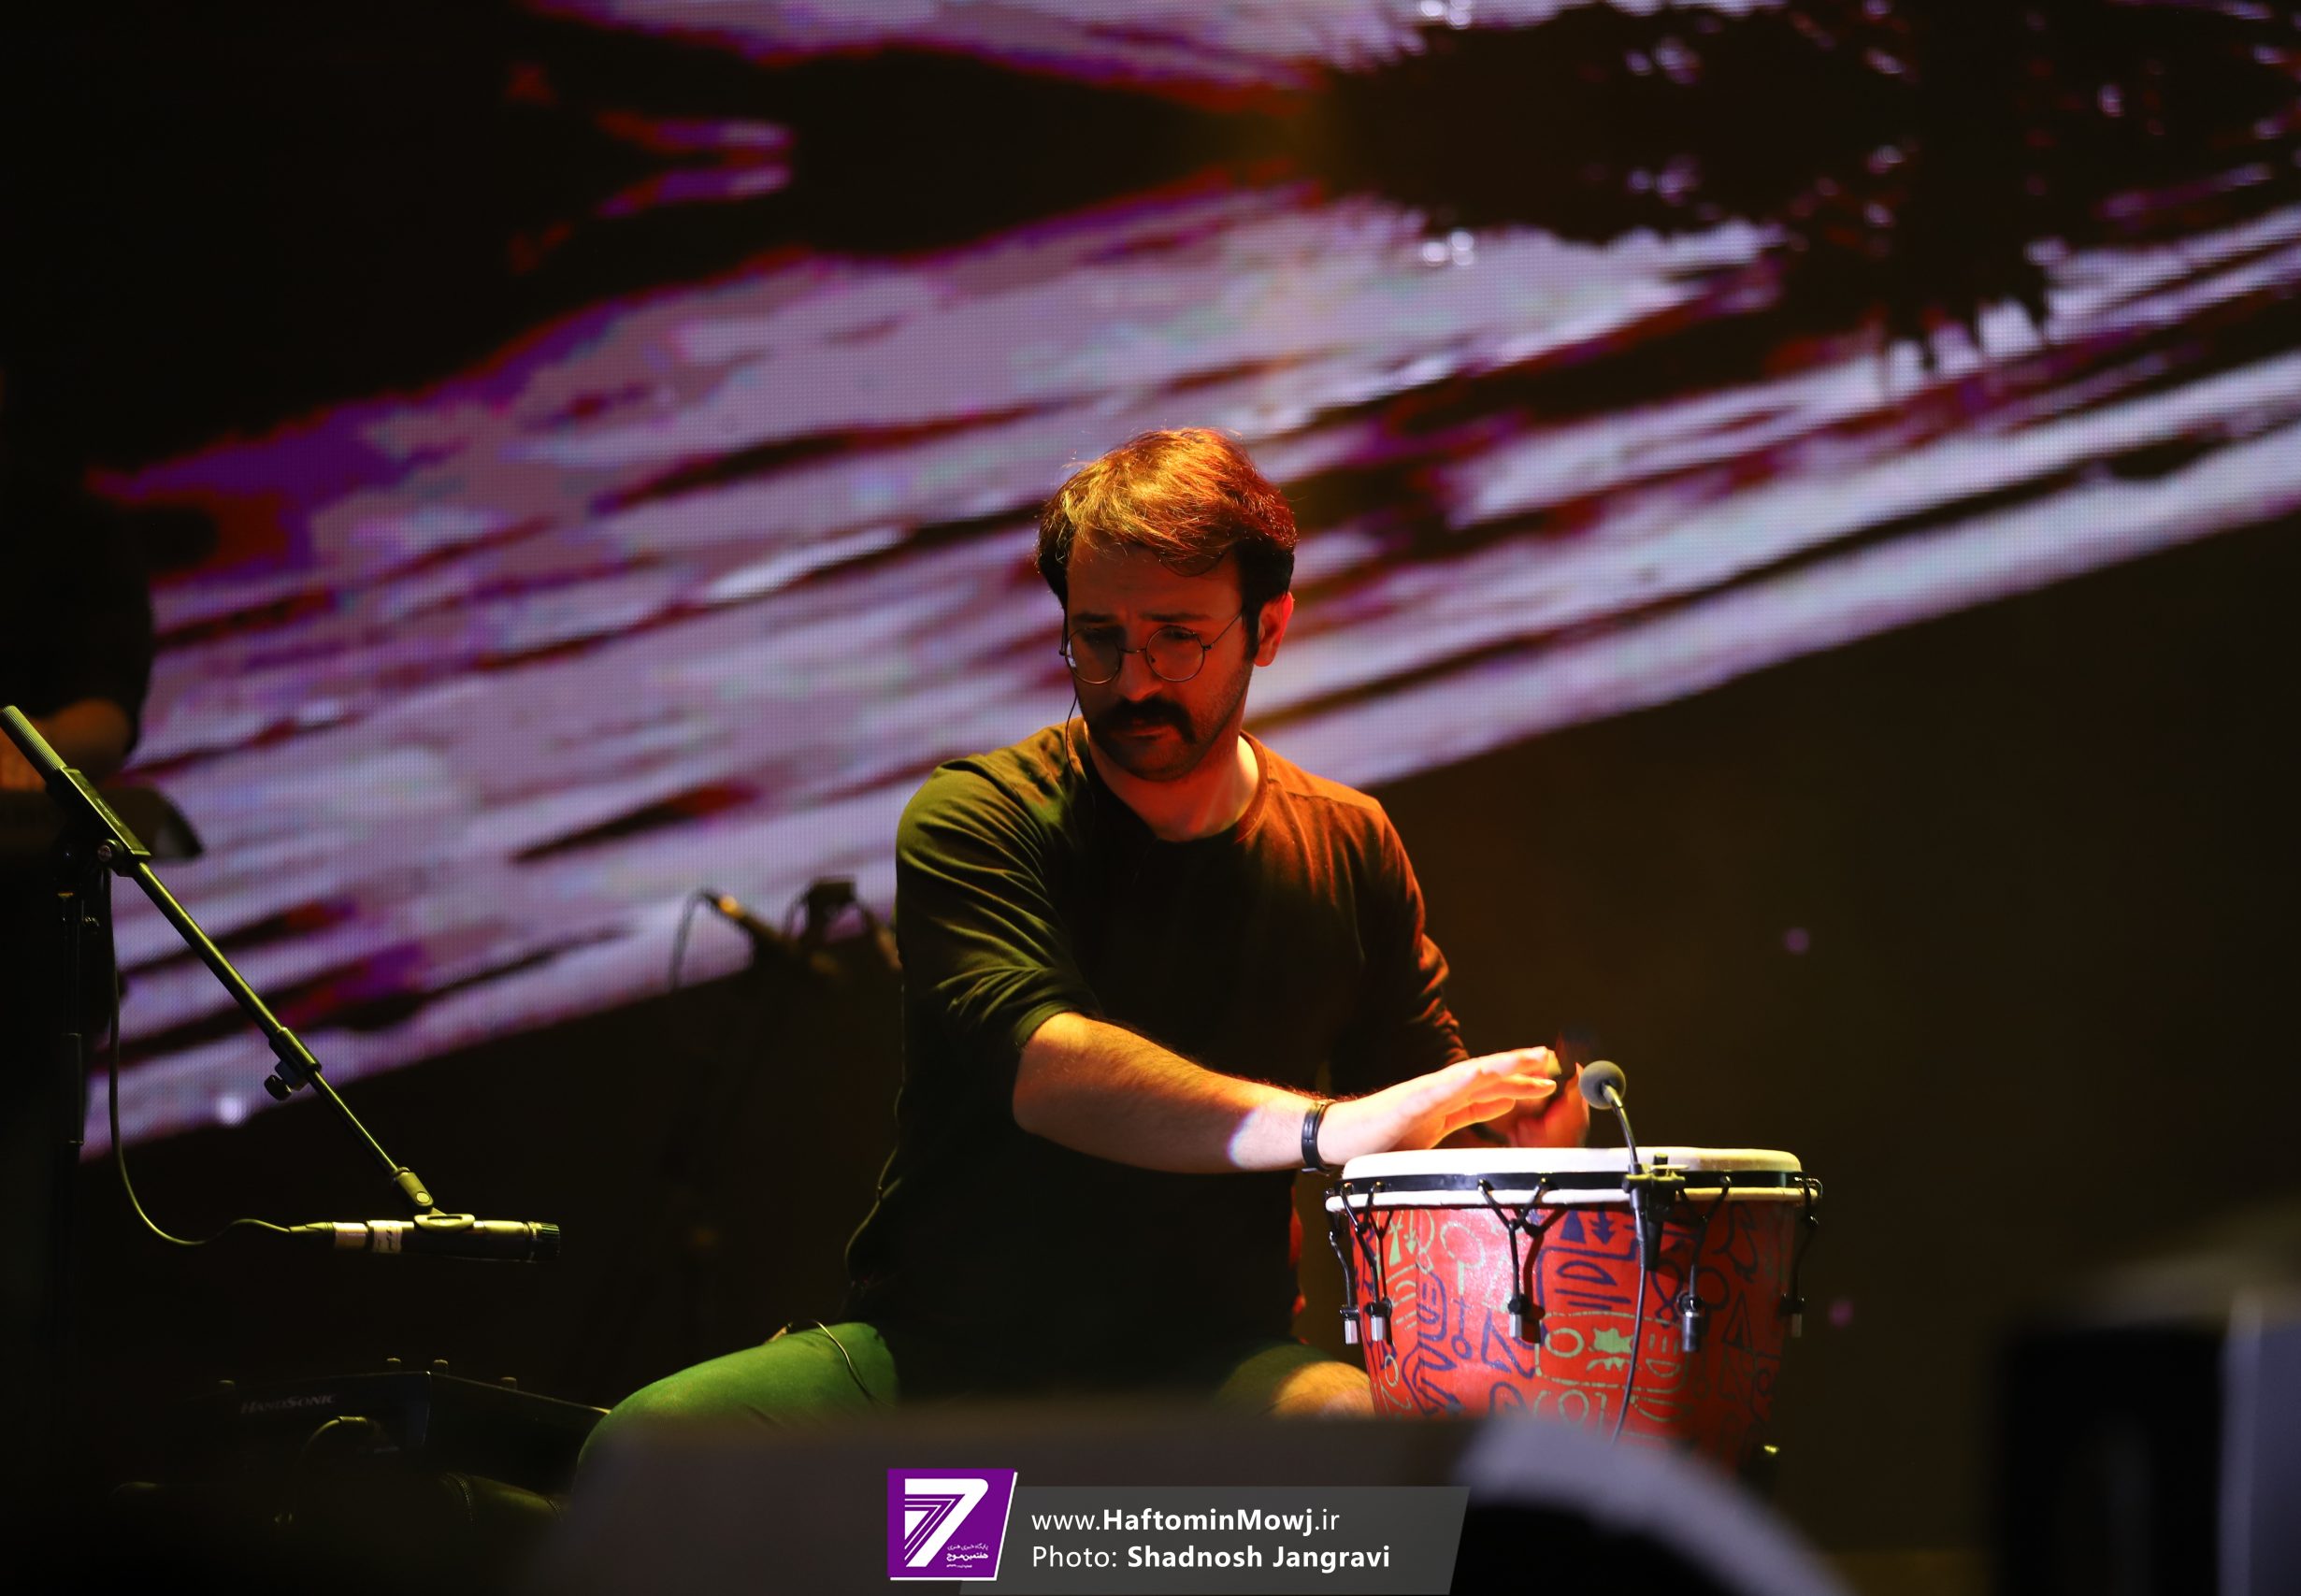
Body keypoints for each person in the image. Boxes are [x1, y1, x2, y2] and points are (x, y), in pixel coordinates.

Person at [584, 428, 1584, 1446]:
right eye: (1097, 637)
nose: (1133, 680)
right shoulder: (976, 814)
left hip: (1213, 1364)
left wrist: (1513, 1147)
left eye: (1177, 638)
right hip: (944, 1354)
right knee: (651, 1447)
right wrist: (1328, 1128)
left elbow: (1414, 1114)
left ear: (1269, 627)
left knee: (1377, 1457)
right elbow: (1052, 1074)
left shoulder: (1349, 841)